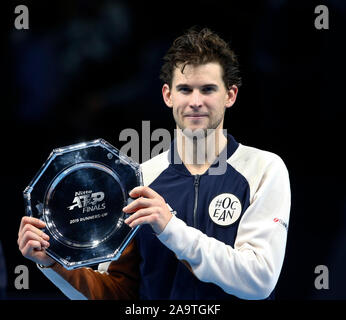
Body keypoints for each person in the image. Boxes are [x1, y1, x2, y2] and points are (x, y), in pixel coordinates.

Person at [17, 27, 290, 300]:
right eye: (185, 89)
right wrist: (51, 263)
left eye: (208, 89)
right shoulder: (139, 179)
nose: (195, 101)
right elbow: (119, 292)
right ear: (168, 95)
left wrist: (170, 228)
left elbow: (259, 281)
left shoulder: (263, 169)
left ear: (230, 95)